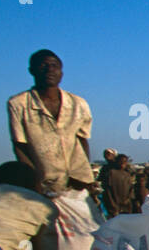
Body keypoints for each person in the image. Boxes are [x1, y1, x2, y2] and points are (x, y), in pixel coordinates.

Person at [7, 50, 95, 196]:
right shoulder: (19, 104)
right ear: (32, 71)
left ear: (61, 72)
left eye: (55, 66)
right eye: (44, 65)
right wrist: (34, 184)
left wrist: (85, 174)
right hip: (45, 184)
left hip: (79, 182)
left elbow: (82, 140)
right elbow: (20, 146)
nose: (50, 70)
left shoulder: (78, 103)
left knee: (86, 218)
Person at [101, 152, 134, 217]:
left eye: (125, 161)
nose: (123, 163)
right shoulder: (111, 173)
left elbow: (131, 189)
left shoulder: (127, 174)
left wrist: (128, 200)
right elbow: (107, 190)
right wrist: (112, 204)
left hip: (125, 205)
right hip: (114, 204)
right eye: (121, 161)